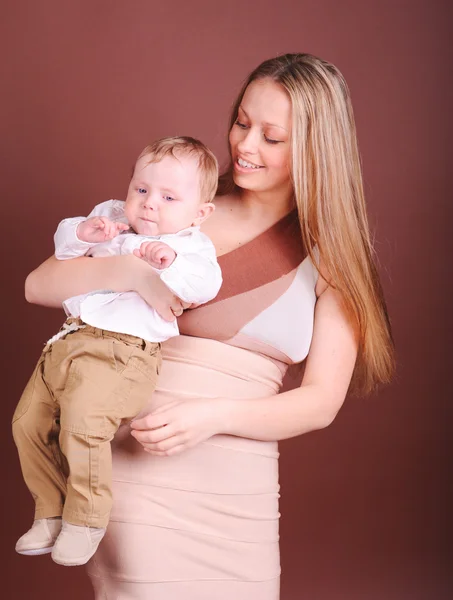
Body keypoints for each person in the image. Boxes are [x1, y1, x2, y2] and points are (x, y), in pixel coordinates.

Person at [23, 53, 395, 599]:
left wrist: (214, 416)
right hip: (140, 468)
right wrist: (131, 271)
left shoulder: (334, 258)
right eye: (243, 123)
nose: (244, 145)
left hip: (240, 490)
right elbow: (41, 283)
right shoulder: (176, 210)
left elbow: (320, 402)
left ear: (317, 149)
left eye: (272, 136)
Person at [12, 136, 222, 567]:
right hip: (69, 339)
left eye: (168, 197)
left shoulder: (189, 245)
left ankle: (86, 518)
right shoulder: (110, 215)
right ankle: (49, 512)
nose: (149, 204)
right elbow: (63, 253)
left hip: (123, 353)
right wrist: (81, 233)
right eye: (141, 189)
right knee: (26, 423)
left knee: (83, 424)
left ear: (199, 213)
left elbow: (204, 285)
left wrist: (167, 260)